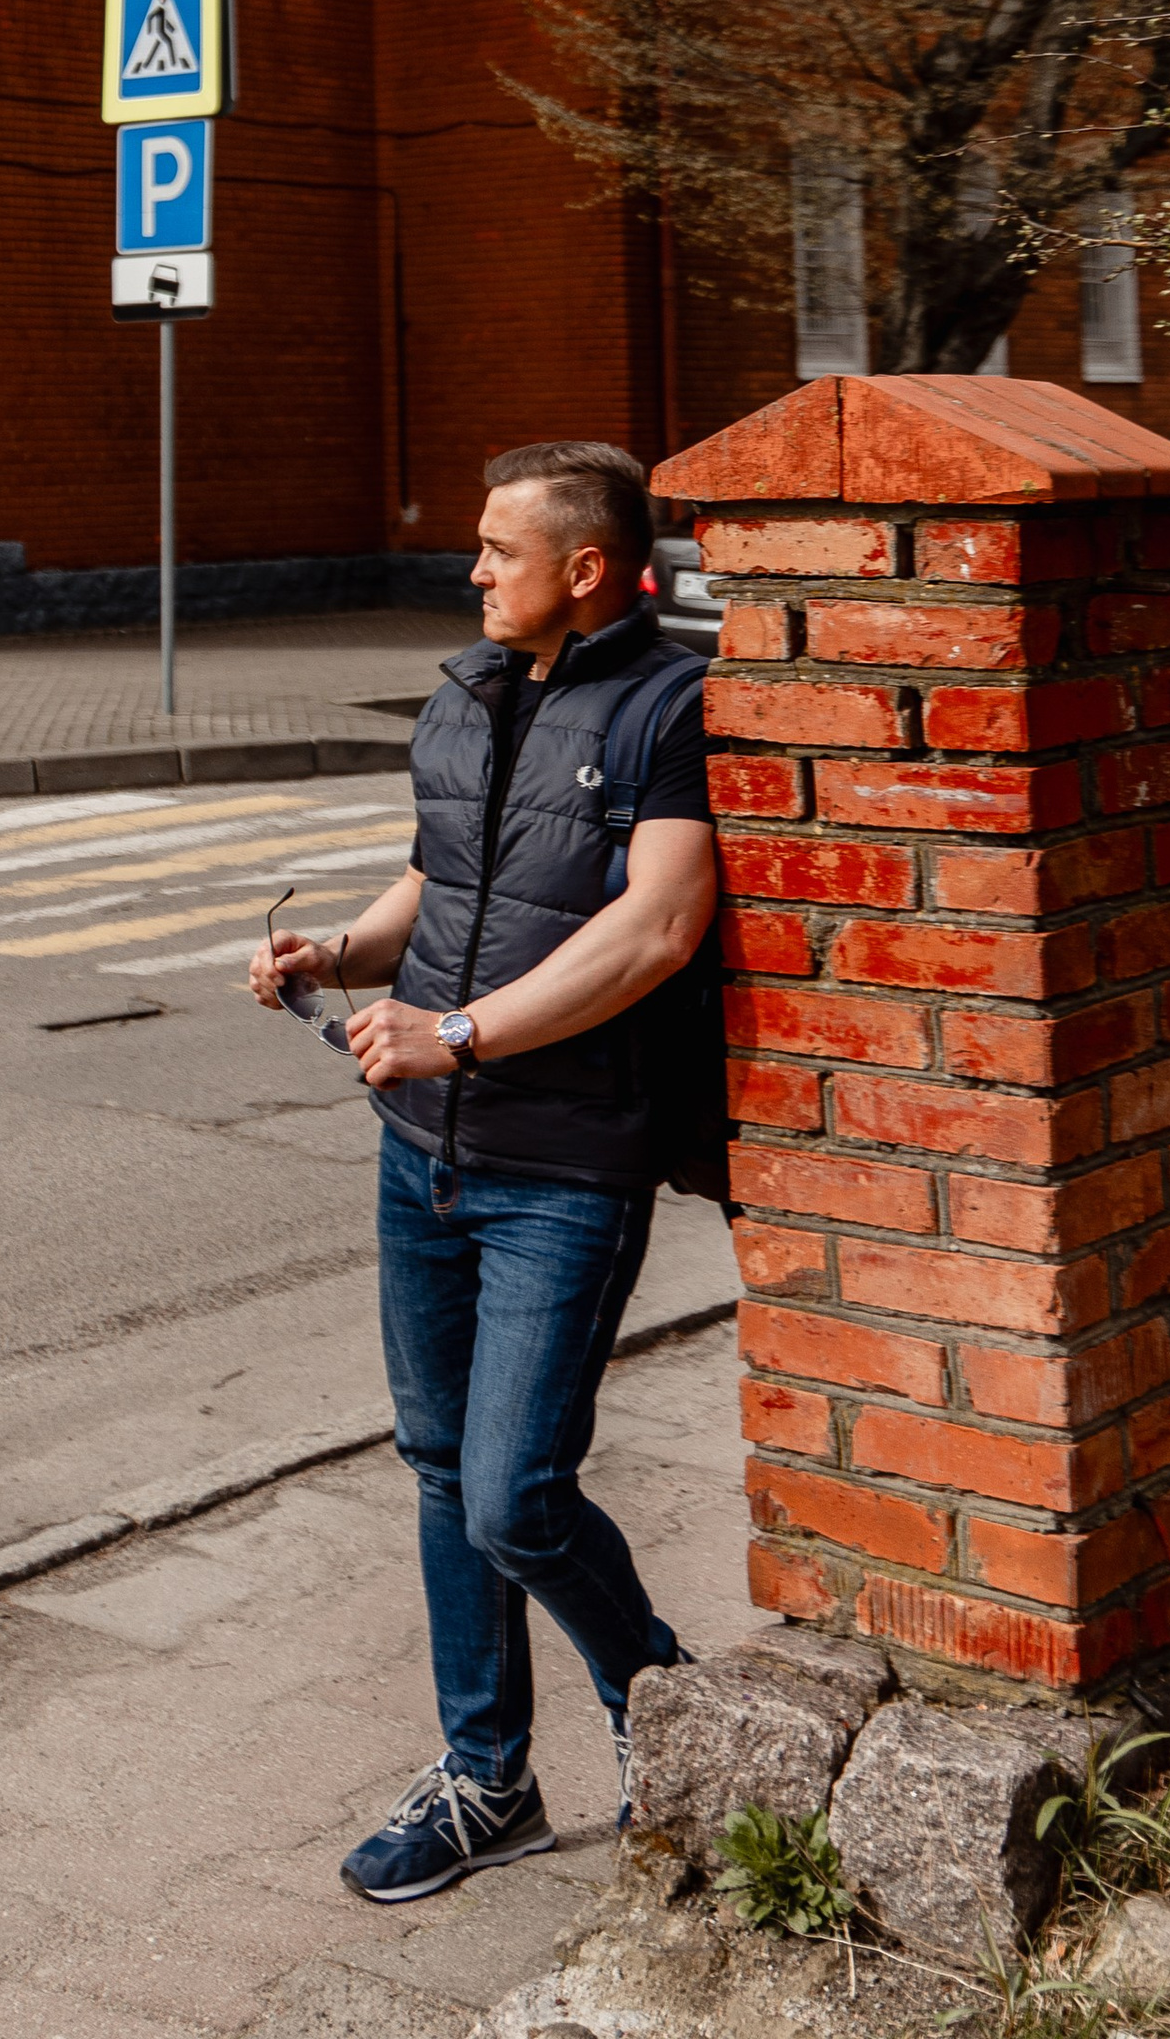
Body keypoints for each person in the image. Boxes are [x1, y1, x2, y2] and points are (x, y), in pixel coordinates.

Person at [250, 439, 714, 1906]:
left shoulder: (668, 706)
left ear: (585, 568)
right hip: (421, 1163)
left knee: (517, 1494)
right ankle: (485, 1780)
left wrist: (458, 1032)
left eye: (495, 551)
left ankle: (665, 1707)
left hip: (561, 1165)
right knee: (445, 1471)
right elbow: (444, 875)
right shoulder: (469, 691)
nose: (471, 571)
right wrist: (341, 953)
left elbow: (656, 930)